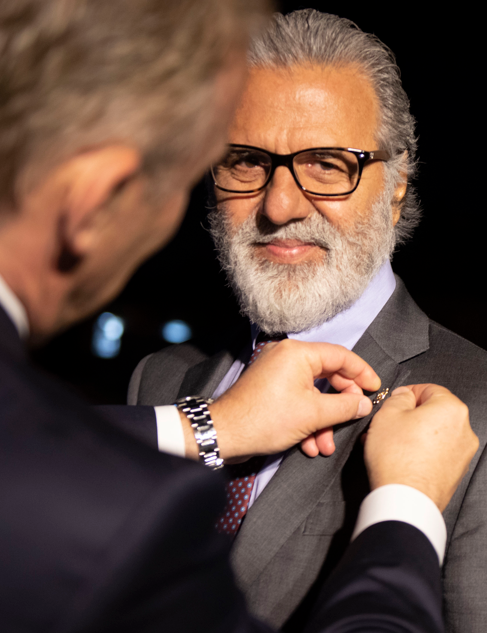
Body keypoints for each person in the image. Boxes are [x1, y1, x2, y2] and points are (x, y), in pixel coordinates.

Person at [0, 1, 478, 631]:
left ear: (396, 187)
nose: (279, 206)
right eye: (246, 161)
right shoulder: (162, 379)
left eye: (327, 165)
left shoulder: (476, 402)